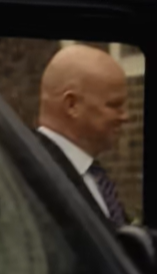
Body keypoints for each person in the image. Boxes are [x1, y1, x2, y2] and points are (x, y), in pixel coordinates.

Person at [35, 44, 131, 227]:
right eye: (114, 105)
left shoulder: (95, 176)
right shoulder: (29, 173)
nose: (125, 116)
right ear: (72, 105)